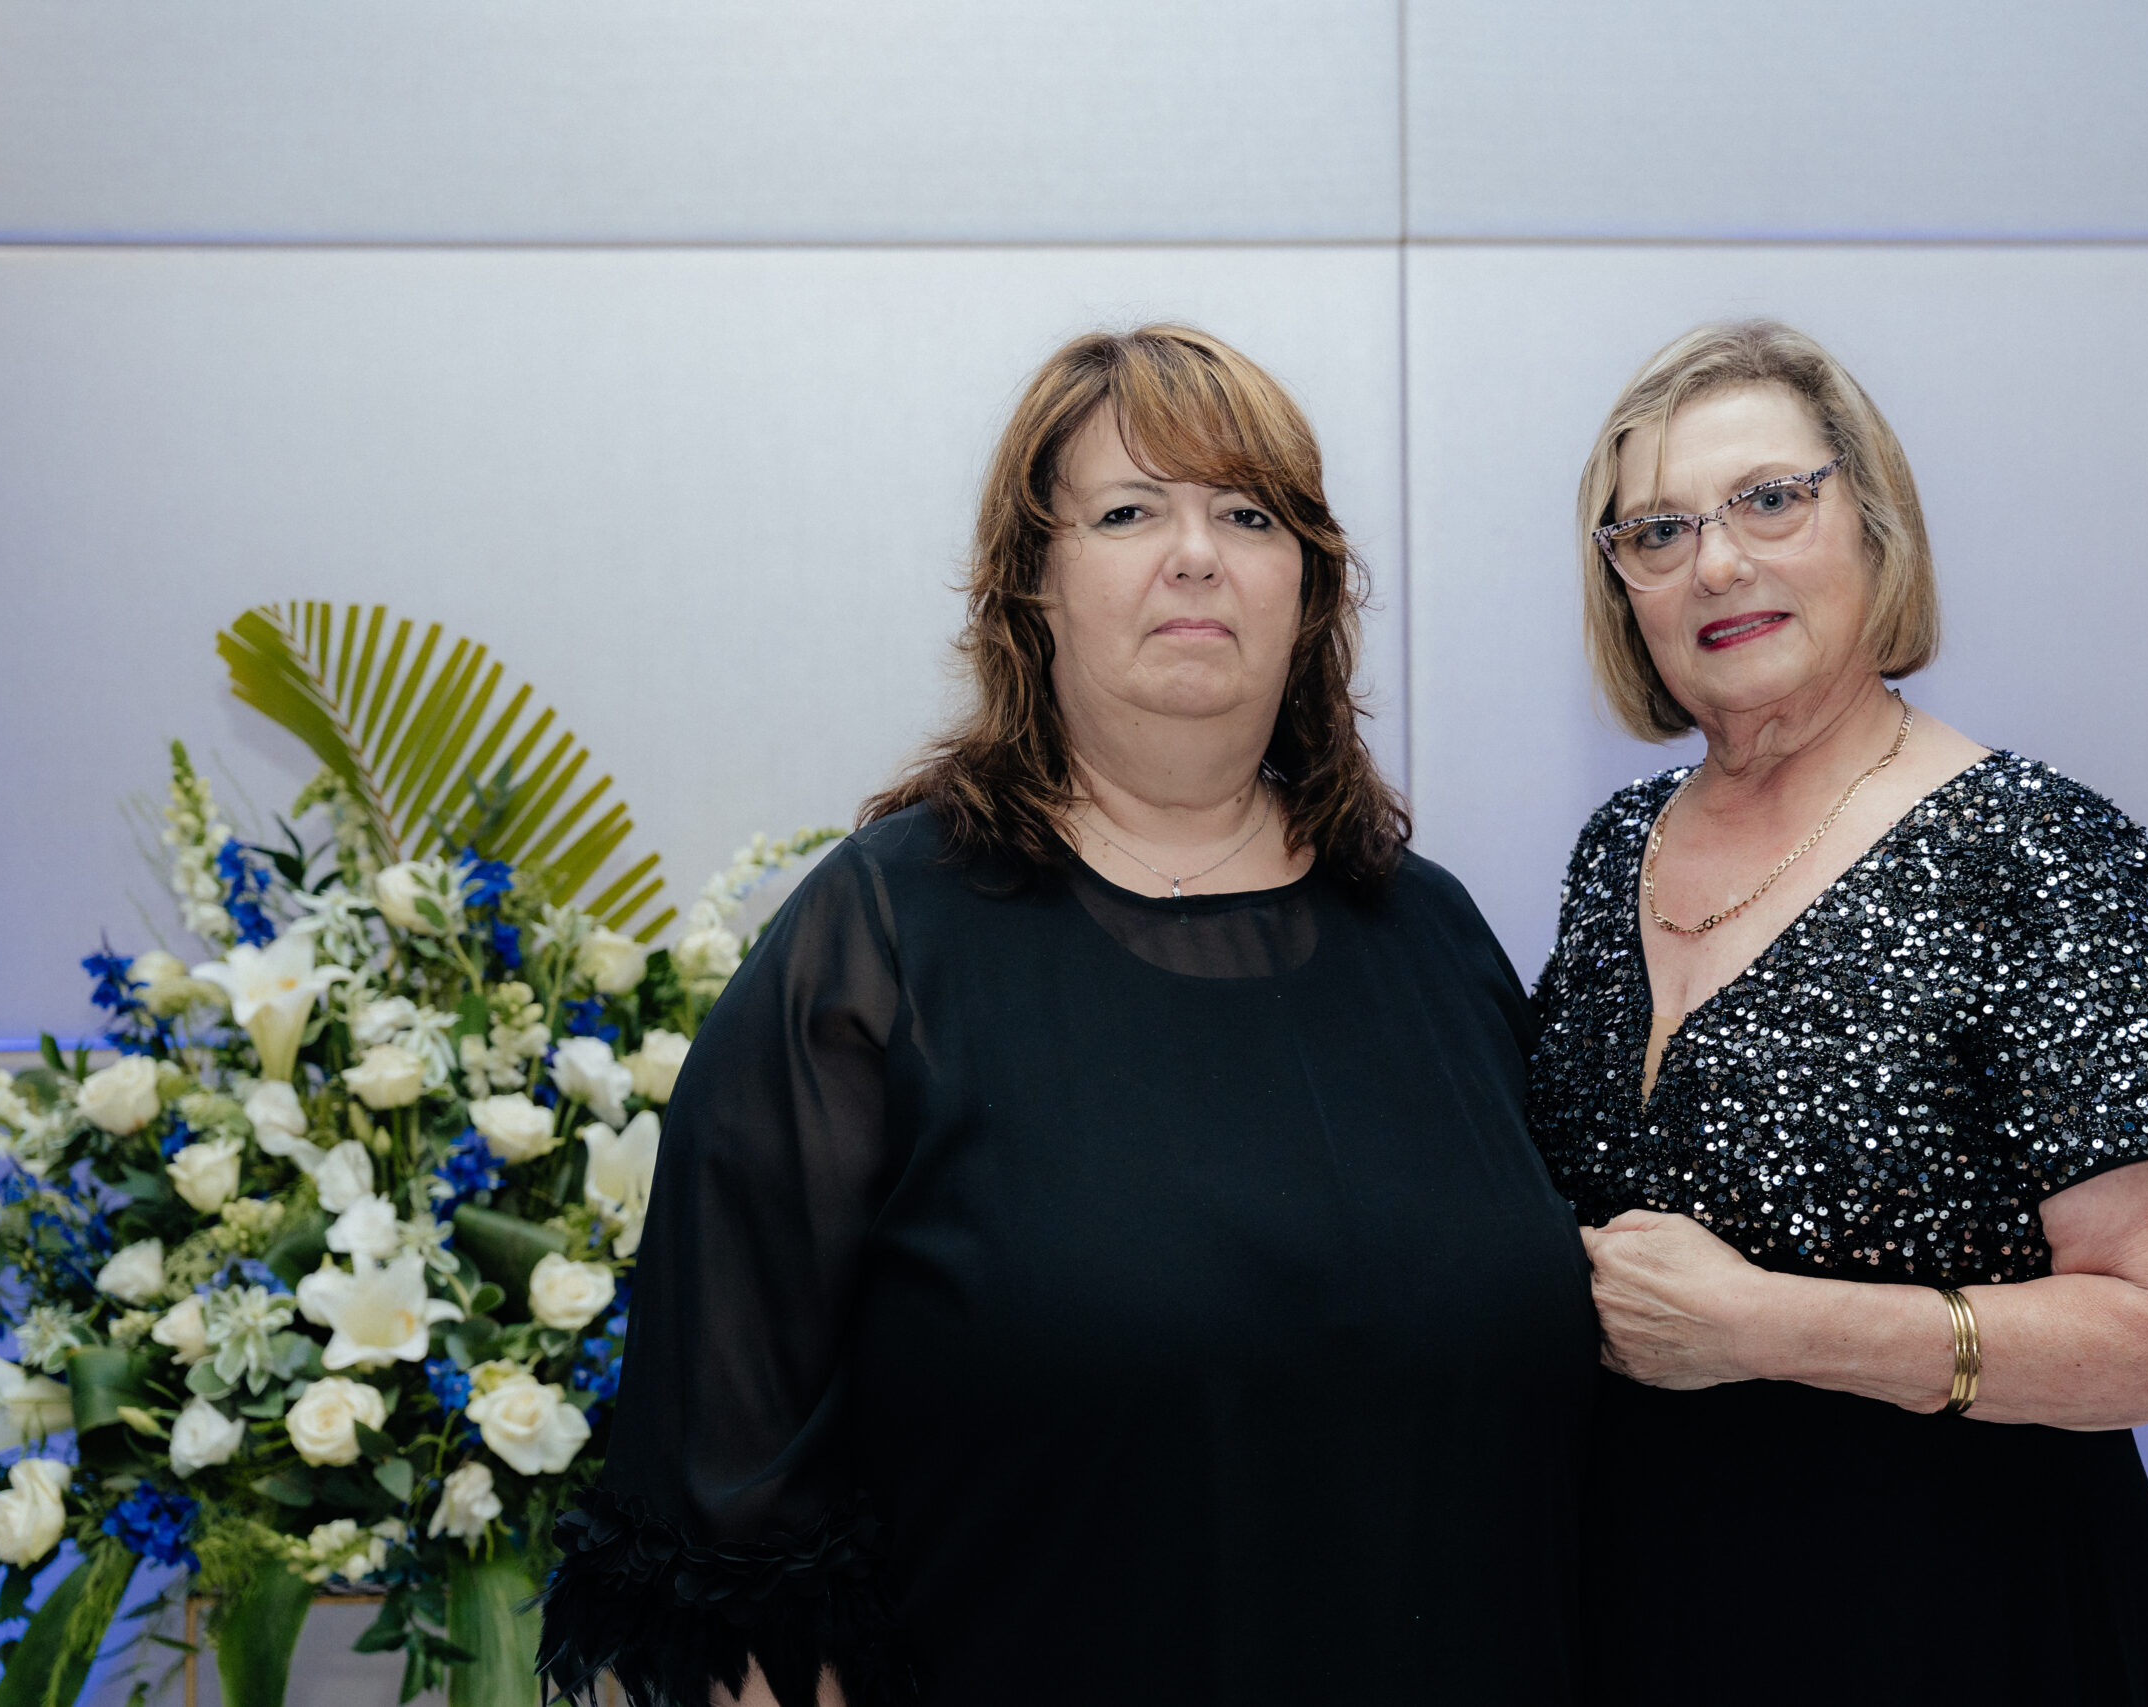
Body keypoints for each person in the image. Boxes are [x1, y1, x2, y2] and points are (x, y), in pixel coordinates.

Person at [540, 324, 1595, 1707]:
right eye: (1128, 513)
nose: (1197, 555)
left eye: (1249, 515)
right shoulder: (877, 946)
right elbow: (725, 1535)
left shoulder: (1433, 934)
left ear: (1311, 589)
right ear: (1032, 586)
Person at [1529, 319, 2148, 1705]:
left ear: (1874, 525)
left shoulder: (2038, 854)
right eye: (1658, 531)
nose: (1716, 562)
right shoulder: (1615, 851)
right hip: (1649, 1617)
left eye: (1770, 499)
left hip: (1962, 1624)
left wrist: (1770, 1326)